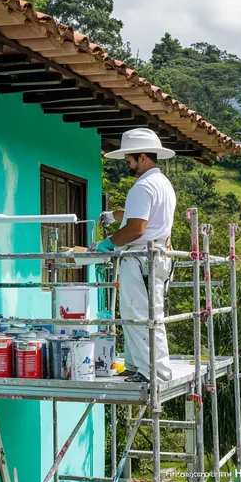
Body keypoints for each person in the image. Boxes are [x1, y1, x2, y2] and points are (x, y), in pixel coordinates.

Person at [93, 128, 177, 382]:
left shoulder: (143, 186)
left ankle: (153, 373)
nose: (127, 165)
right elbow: (140, 216)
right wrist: (116, 215)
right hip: (156, 256)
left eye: (129, 159)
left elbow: (135, 228)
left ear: (143, 157)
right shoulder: (162, 184)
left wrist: (106, 244)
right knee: (136, 313)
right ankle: (137, 365)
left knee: (141, 314)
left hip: (140, 257)